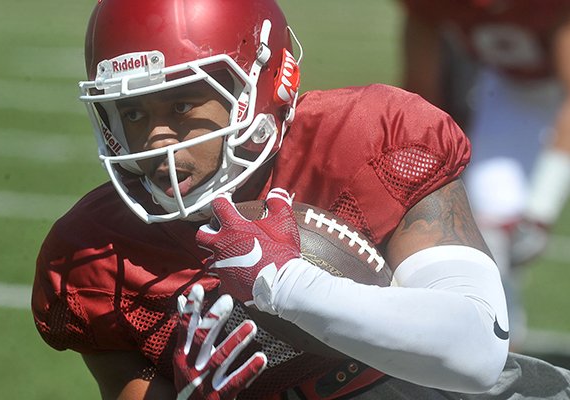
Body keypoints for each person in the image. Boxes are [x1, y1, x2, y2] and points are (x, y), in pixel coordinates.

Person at [31, 0, 570, 398]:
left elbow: (475, 351)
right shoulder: (96, 253)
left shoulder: (370, 140)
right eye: (134, 112)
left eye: (184, 105)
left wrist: (287, 284)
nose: (156, 140)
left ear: (263, 82)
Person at [398, 0, 570, 349]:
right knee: (493, 226)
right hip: (509, 90)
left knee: (518, 223)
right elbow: (421, 93)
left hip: (556, 88)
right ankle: (502, 353)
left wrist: (540, 208)